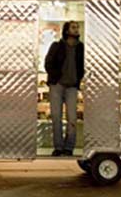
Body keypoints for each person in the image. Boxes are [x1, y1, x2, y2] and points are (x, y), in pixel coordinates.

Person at [45, 21, 84, 157]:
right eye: (74, 27)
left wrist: (78, 79)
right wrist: (55, 78)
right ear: (67, 31)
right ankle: (58, 147)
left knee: (72, 118)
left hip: (72, 87)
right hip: (57, 85)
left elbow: (82, 66)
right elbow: (48, 63)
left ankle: (69, 147)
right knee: (56, 117)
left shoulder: (81, 48)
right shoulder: (57, 46)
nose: (76, 29)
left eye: (77, 27)